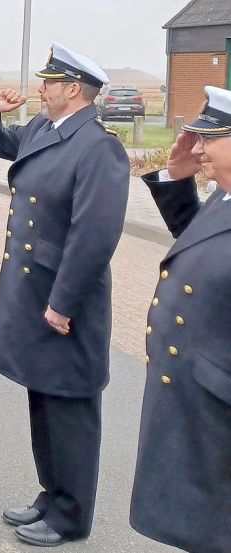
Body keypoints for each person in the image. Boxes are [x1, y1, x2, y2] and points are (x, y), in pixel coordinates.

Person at [0, 43, 129, 547]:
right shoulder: (44, 129)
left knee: (70, 406)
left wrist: (62, 302)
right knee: (44, 395)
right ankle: (51, 494)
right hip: (36, 292)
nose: (41, 88)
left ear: (73, 89)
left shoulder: (98, 146)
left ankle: (72, 514)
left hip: (66, 301)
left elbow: (93, 235)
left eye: (50, 82)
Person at [129, 85, 231, 553]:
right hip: (197, 392)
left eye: (212, 138)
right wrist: (176, 179)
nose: (199, 147)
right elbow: (200, 251)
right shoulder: (224, 198)